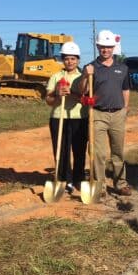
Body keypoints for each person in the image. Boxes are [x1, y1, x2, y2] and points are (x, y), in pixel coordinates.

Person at [80, 30, 132, 196]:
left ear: (113, 47)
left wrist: (125, 108)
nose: (105, 50)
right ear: (97, 46)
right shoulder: (91, 67)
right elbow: (83, 90)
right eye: (102, 47)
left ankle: (120, 183)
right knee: (99, 152)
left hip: (118, 114)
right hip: (98, 114)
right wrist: (85, 76)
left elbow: (126, 89)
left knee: (118, 152)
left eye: (108, 47)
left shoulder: (122, 68)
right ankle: (100, 186)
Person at [45, 41, 88, 195]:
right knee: (61, 150)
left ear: (78, 60)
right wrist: (57, 94)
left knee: (79, 150)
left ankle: (78, 178)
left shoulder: (82, 77)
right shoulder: (56, 77)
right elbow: (48, 101)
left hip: (79, 118)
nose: (70, 61)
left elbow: (86, 100)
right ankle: (64, 179)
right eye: (67, 58)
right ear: (62, 59)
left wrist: (73, 93)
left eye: (73, 58)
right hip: (59, 117)